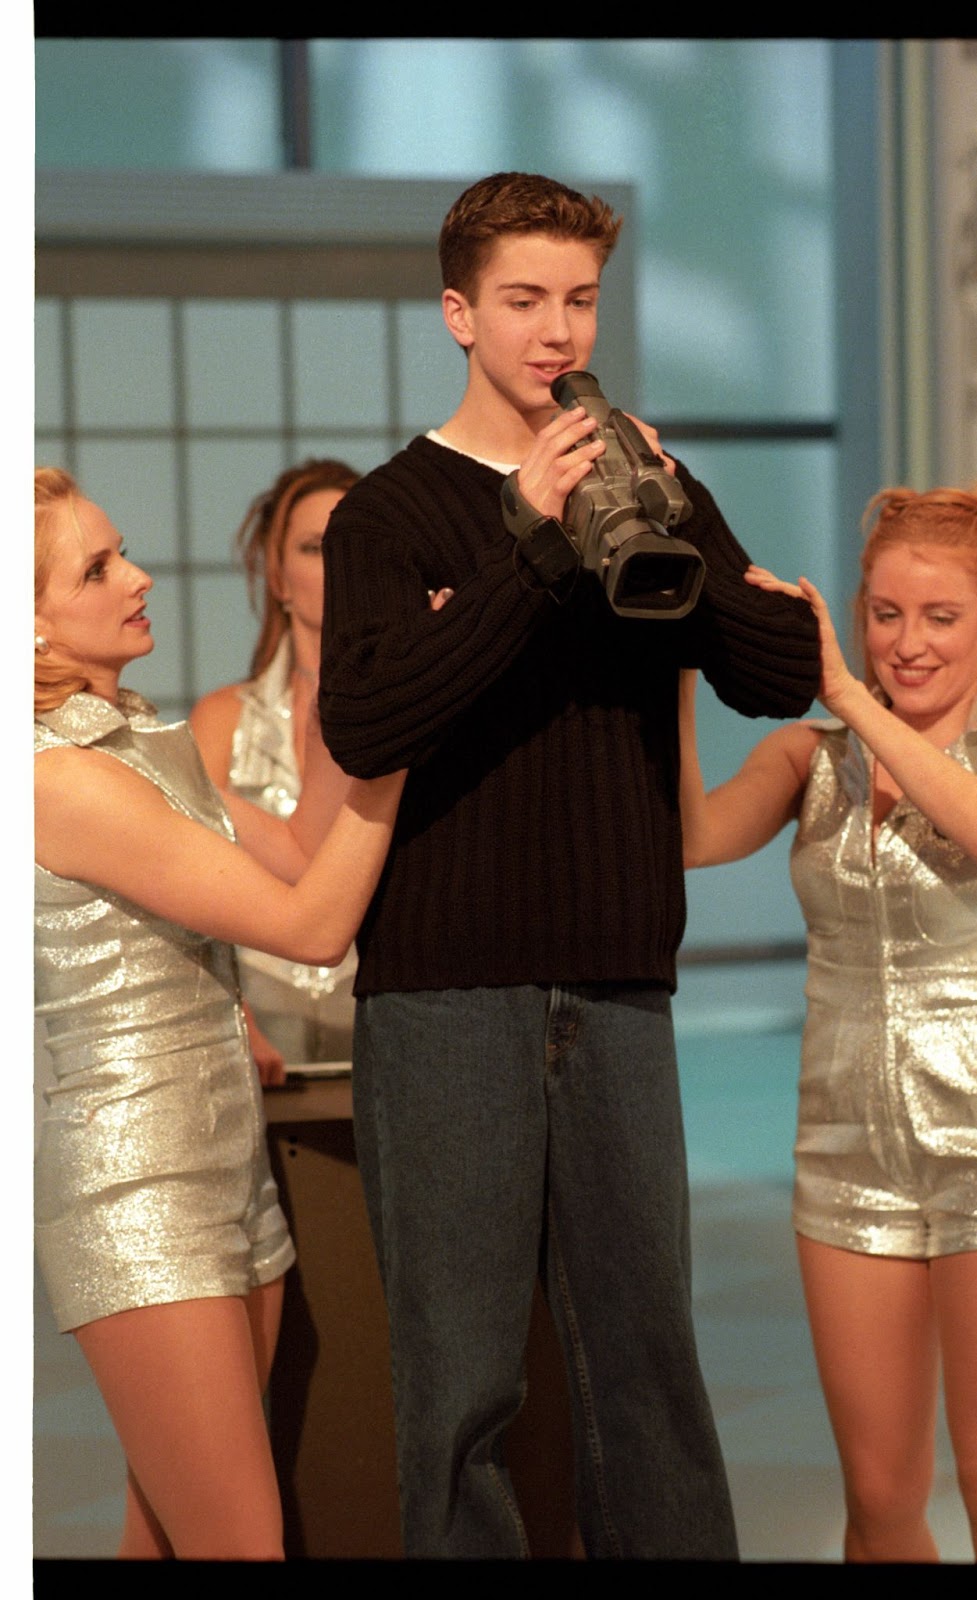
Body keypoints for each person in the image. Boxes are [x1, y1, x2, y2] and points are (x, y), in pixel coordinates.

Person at [317, 170, 821, 1559]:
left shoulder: (647, 479)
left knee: (646, 1363)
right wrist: (528, 545)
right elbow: (365, 722)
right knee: (459, 1384)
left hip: (615, 986)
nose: (556, 330)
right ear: (457, 314)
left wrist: (662, 518)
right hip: (439, 998)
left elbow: (777, 672)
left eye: (580, 299)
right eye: (524, 300)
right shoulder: (388, 513)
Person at [33, 467, 418, 1560]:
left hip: (221, 1162)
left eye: (123, 551)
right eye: (99, 567)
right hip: (138, 1188)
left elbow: (281, 864)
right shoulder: (59, 777)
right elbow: (308, 926)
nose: (140, 575)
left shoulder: (141, 738)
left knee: (160, 1531)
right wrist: (411, 736)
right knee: (240, 1542)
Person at [679, 485, 977, 1562]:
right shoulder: (809, 758)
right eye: (884, 614)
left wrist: (847, 691)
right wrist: (675, 659)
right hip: (845, 1149)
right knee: (878, 1500)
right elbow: (691, 835)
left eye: (939, 617)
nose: (907, 643)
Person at [191, 459, 361, 1077]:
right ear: (277, 575)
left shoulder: (418, 712)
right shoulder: (220, 720)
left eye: (354, 544)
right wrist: (236, 1017)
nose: (339, 565)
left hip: (388, 1012)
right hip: (256, 1025)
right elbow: (185, 892)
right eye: (316, 548)